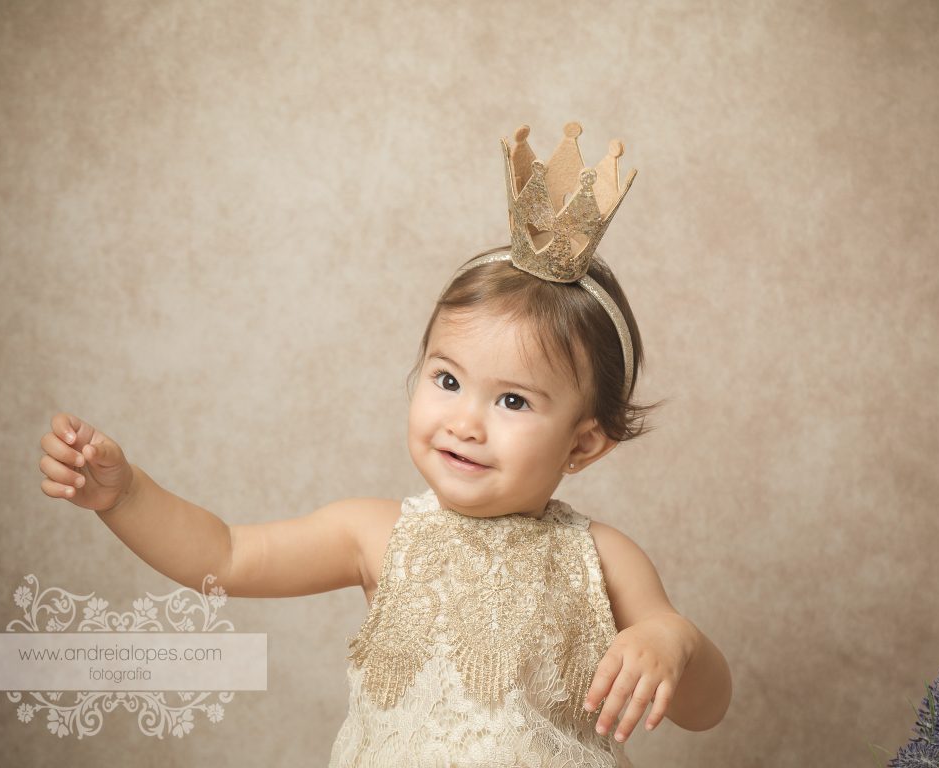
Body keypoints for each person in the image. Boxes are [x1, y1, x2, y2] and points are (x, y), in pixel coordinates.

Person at [38, 122, 731, 766]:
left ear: (583, 444)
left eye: (513, 400)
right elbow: (225, 555)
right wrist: (125, 495)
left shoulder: (603, 558)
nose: (465, 421)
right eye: (448, 379)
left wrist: (673, 644)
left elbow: (707, 708)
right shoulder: (374, 534)